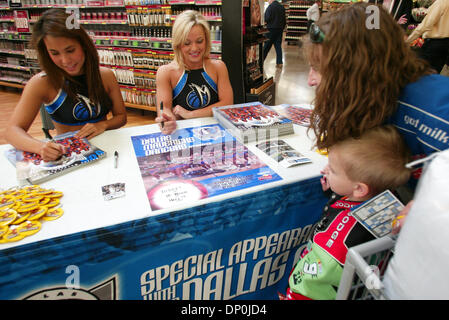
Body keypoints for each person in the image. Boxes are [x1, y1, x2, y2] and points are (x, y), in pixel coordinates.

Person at [305, 2, 449, 164]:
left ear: (356, 68)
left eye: (318, 68)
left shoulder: (438, 116)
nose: (310, 81)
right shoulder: (372, 94)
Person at [280, 125, 411, 300]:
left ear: (359, 188)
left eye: (333, 170)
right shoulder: (386, 199)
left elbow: (311, 283)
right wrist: (335, 189)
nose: (325, 169)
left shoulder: (334, 245)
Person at [4, 9, 127, 162]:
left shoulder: (106, 75)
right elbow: (11, 131)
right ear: (46, 53)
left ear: (83, 45)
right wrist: (39, 147)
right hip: (68, 156)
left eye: (70, 50)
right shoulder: (41, 83)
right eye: (55, 53)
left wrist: (103, 125)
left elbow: (121, 117)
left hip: (109, 152)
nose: (66, 60)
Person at [155, 10, 233, 135]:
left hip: (216, 134)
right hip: (185, 137)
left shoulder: (219, 67)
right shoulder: (165, 73)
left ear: (207, 40)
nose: (194, 48)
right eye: (187, 43)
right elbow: (164, 109)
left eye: (199, 41)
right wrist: (168, 121)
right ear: (178, 44)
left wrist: (190, 114)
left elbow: (227, 104)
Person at [406, 0, 449, 73]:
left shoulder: (440, 3)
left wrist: (408, 40)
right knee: (434, 73)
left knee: (421, 72)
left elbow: (426, 25)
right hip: (445, 44)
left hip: (433, 44)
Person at [263, 0, 286, 68]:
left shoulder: (270, 7)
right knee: (278, 46)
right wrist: (282, 27)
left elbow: (266, 18)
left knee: (266, 46)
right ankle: (279, 63)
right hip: (279, 29)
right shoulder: (281, 7)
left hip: (271, 29)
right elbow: (284, 19)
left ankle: (261, 62)